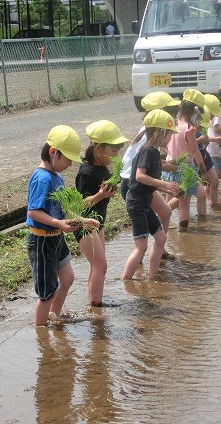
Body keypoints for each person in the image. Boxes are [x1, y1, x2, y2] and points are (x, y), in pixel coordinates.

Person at [26, 125, 98, 326]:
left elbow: (62, 209)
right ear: (53, 152)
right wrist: (58, 223)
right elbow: (33, 211)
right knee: (47, 292)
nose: (69, 164)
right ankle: (42, 336)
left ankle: (53, 316)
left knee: (67, 279)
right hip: (41, 240)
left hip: (56, 237)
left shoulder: (57, 177)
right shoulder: (42, 178)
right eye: (67, 159)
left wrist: (82, 221)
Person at [122, 110, 181, 280]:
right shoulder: (147, 150)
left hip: (145, 200)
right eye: (169, 134)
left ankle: (153, 276)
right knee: (141, 246)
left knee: (161, 238)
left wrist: (167, 189)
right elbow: (139, 176)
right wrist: (163, 184)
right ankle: (126, 280)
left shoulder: (154, 152)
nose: (170, 138)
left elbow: (149, 180)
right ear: (160, 133)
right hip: (136, 203)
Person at [75, 120, 128, 306]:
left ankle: (95, 301)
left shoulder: (102, 168)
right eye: (113, 151)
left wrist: (108, 192)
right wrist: (100, 195)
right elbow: (79, 205)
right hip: (84, 223)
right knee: (100, 265)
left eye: (118, 152)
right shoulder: (86, 172)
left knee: (99, 266)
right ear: (98, 148)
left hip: (98, 222)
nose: (116, 156)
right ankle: (96, 308)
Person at [163, 89, 208, 229]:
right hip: (185, 171)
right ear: (195, 112)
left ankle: (165, 227)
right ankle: (183, 233)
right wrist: (204, 171)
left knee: (169, 199)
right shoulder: (189, 129)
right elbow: (195, 151)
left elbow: (164, 146)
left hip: (169, 168)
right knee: (184, 205)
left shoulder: (172, 124)